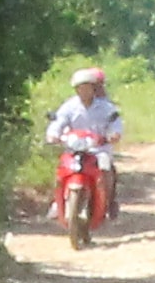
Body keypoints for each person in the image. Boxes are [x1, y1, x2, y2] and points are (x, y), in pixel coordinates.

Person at [46, 65, 126, 227]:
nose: (84, 91)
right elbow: (58, 122)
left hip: (98, 149)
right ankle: (57, 201)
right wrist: (53, 134)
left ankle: (108, 201)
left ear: (93, 88)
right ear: (76, 90)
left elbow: (115, 122)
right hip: (74, 148)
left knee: (105, 169)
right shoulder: (69, 106)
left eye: (87, 87)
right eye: (80, 88)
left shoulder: (105, 107)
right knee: (62, 170)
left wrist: (113, 134)